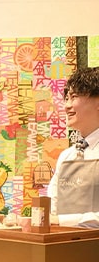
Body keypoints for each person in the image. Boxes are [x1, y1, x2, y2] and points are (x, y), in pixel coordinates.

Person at [48, 66, 99, 228]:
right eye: (66, 98)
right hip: (63, 241)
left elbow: (56, 219)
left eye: (74, 97)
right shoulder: (66, 156)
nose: (66, 106)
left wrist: (61, 221)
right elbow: (52, 206)